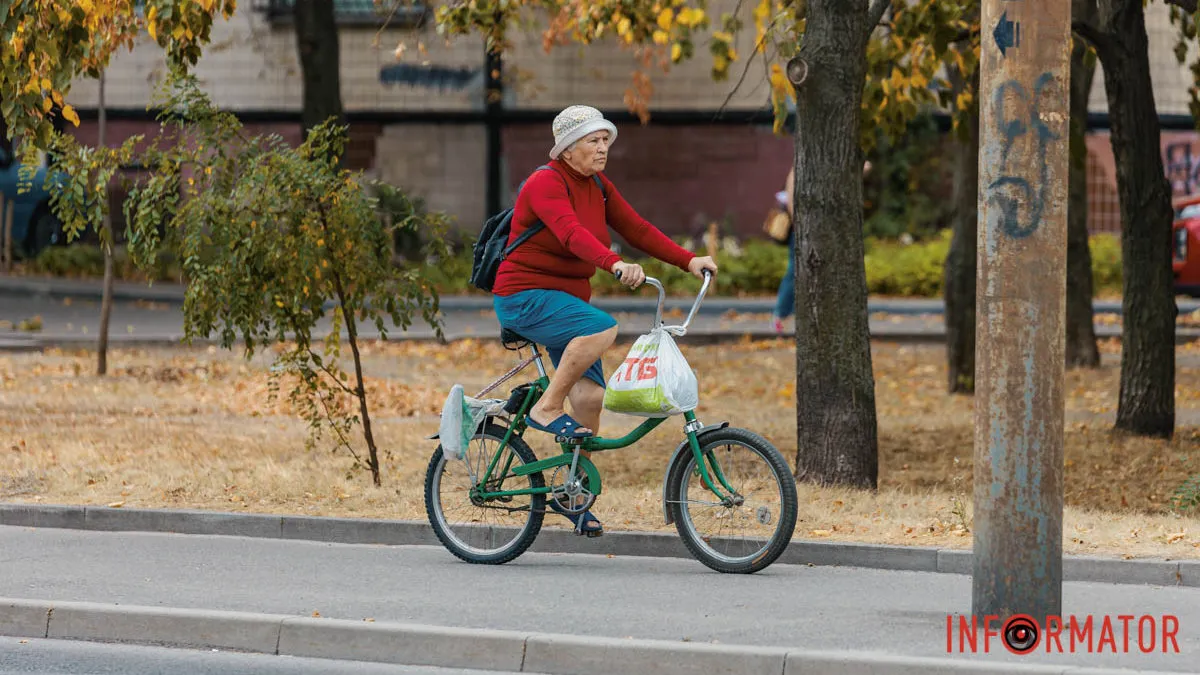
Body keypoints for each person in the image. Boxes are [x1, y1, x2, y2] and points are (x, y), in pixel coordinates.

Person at [491, 104, 719, 536]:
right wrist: (613, 264)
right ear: (567, 149)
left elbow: (638, 229)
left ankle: (573, 494)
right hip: (524, 295)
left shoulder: (597, 186)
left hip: (566, 304)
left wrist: (688, 260)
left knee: (593, 400)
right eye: (593, 141)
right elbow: (570, 233)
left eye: (605, 141)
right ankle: (547, 405)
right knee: (602, 327)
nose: (602, 148)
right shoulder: (545, 183)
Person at [770, 159, 872, 334]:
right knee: (795, 271)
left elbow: (866, 167)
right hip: (803, 231)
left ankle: (804, 315)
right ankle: (780, 314)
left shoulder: (832, 165)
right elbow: (792, 196)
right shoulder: (800, 165)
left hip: (826, 231)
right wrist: (801, 226)